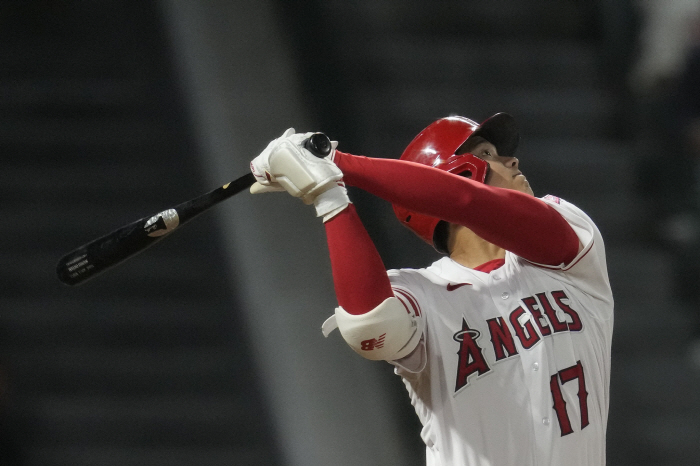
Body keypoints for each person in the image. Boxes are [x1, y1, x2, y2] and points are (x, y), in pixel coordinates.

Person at [249, 113, 614, 466]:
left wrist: (338, 162)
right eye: (486, 153)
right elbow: (368, 325)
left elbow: (467, 201)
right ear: (458, 173)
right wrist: (329, 195)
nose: (512, 160)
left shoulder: (570, 245)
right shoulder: (423, 291)